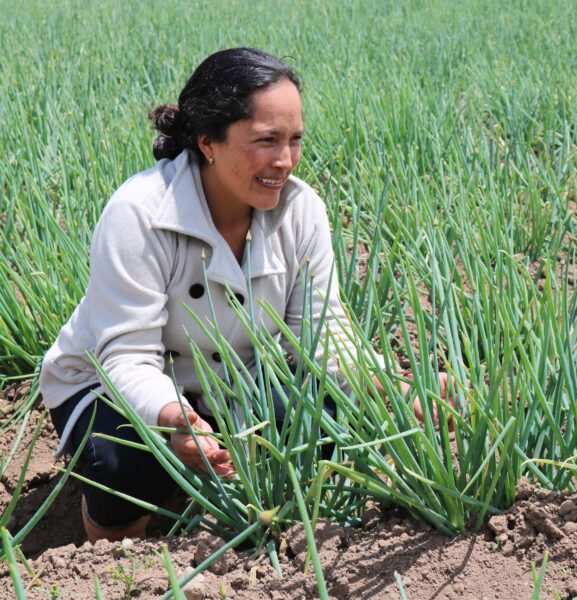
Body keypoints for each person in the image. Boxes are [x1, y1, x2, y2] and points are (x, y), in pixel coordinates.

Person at [40, 48, 451, 543]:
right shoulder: (140, 213)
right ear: (209, 141)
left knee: (321, 422)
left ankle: (219, 507)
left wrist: (390, 387)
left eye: (295, 140)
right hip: (113, 384)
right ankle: (112, 550)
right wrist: (175, 417)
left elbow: (323, 335)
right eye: (266, 141)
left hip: (237, 382)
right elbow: (126, 358)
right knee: (125, 458)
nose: (285, 161)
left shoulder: (301, 211)